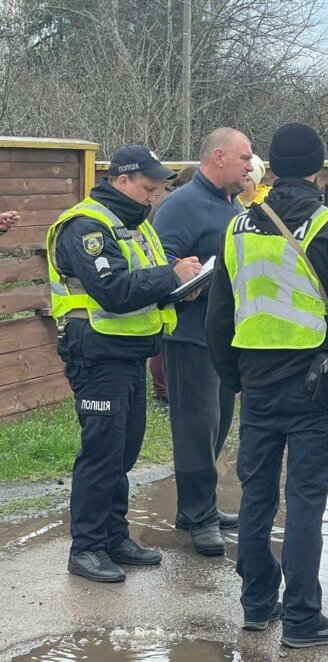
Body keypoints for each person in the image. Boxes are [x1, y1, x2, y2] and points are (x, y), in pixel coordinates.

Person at [206, 122, 328, 649]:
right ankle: (304, 620)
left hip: (257, 386)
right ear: (318, 167)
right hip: (316, 389)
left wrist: (234, 379)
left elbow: (219, 319)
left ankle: (256, 605)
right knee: (305, 501)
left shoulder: (236, 228)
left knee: (257, 497)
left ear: (270, 166)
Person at [45, 145, 202, 583]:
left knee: (124, 450)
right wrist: (171, 276)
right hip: (96, 354)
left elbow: (145, 281)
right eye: (149, 188)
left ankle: (113, 535)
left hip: (128, 351)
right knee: (101, 452)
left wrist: (182, 280)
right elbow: (111, 289)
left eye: (158, 190)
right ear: (123, 180)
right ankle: (87, 547)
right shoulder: (86, 226)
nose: (154, 198)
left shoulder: (133, 226)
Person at [152, 128, 253, 556]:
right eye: (245, 158)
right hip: (189, 335)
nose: (251, 166)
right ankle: (199, 516)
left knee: (218, 424)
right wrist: (183, 269)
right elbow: (159, 261)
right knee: (195, 429)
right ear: (218, 157)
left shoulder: (230, 205)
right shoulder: (182, 204)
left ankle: (197, 507)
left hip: (224, 338)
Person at [147, 165, 198, 406]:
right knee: (163, 341)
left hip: (158, 276)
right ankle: (163, 393)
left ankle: (161, 392)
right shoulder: (175, 204)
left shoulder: (163, 201)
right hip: (167, 275)